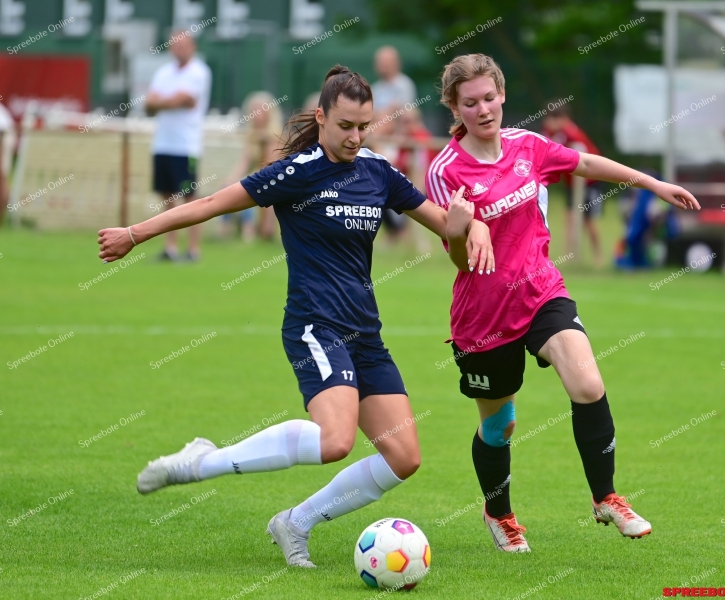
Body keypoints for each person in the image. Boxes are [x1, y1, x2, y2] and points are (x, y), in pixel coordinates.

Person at [97, 65, 493, 568]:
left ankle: (295, 522)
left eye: (363, 126)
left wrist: (469, 229)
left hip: (365, 334)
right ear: (323, 117)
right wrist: (136, 233)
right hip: (314, 325)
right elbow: (215, 203)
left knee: (404, 458)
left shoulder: (377, 172)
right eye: (345, 125)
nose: (355, 137)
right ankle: (203, 460)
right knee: (335, 441)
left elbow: (445, 224)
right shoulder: (297, 171)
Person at [426, 54, 699, 552]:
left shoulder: (527, 146)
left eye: (490, 97)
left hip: (540, 291)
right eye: (471, 103)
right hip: (483, 316)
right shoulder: (446, 170)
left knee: (588, 382)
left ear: (502, 94)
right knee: (498, 425)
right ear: (454, 106)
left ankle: (606, 497)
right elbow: (462, 263)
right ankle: (499, 512)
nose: (484, 109)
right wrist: (461, 229)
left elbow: (585, 163)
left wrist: (652, 183)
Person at [145, 29, 212, 261]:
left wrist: (161, 101)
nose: (179, 49)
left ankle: (193, 249)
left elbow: (186, 100)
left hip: (186, 146)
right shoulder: (163, 72)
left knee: (190, 197)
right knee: (167, 197)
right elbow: (149, 105)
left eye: (183, 45)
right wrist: (169, 101)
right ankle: (170, 248)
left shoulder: (199, 72)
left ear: (192, 47)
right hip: (163, 143)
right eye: (175, 45)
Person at [541, 102, 604, 266]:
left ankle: (598, 256)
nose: (550, 122)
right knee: (569, 217)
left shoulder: (571, 133)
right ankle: (569, 256)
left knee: (588, 220)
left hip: (589, 182)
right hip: (571, 183)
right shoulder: (551, 132)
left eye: (554, 118)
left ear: (564, 119)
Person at [220, 91, 284, 242]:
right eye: (254, 111)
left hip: (274, 179)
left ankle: (249, 232)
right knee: (228, 188)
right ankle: (225, 231)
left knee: (247, 188)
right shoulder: (252, 135)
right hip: (260, 177)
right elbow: (244, 162)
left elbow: (270, 166)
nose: (256, 115)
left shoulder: (273, 135)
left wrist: (245, 179)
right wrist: (231, 179)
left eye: (261, 111)